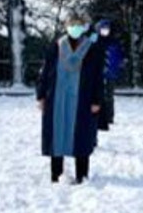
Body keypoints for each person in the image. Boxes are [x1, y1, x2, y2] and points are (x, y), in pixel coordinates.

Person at [37, 12, 105, 184]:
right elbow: (45, 72)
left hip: (83, 99)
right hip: (56, 97)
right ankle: (56, 174)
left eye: (78, 25)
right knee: (57, 135)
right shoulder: (56, 46)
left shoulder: (91, 49)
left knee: (80, 136)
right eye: (71, 24)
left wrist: (97, 100)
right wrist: (41, 95)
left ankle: (82, 175)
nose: (74, 28)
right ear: (67, 26)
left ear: (83, 27)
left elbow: (98, 77)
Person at [93, 19, 124, 131]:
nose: (105, 31)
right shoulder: (94, 41)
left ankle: (109, 117)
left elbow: (118, 57)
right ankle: (98, 116)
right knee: (97, 96)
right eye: (103, 28)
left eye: (107, 28)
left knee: (109, 96)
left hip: (110, 73)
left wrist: (117, 68)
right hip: (97, 74)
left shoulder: (114, 42)